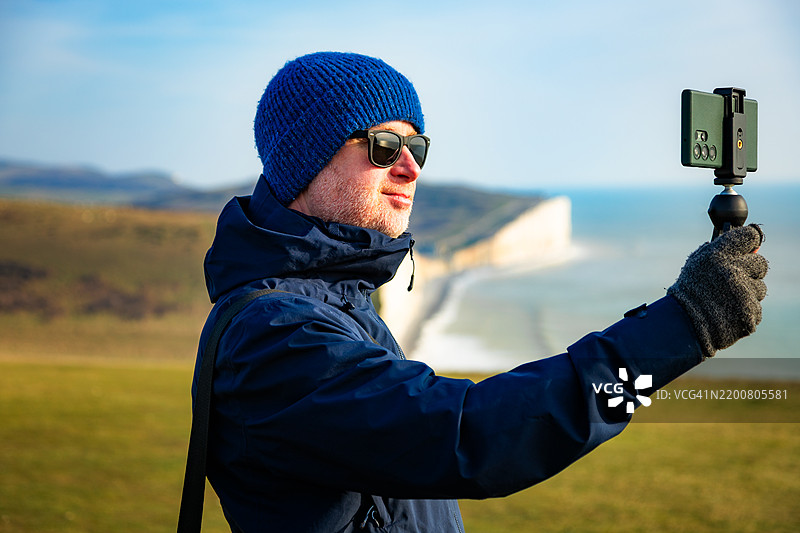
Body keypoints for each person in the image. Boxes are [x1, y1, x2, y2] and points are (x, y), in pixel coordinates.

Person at [194, 51, 768, 532]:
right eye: (384, 148)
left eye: (417, 149)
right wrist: (681, 327)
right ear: (304, 163)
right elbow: (472, 437)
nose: (411, 169)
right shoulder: (273, 338)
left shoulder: (338, 303)